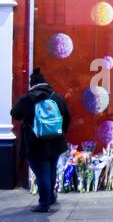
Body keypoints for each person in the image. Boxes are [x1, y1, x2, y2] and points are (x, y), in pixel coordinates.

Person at [11, 68, 71, 212]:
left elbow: (15, 114)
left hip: (35, 144)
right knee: (51, 170)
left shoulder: (27, 99)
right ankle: (50, 197)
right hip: (56, 143)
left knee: (42, 173)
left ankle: (44, 203)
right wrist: (60, 133)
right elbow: (67, 118)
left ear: (32, 84)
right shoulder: (56, 97)